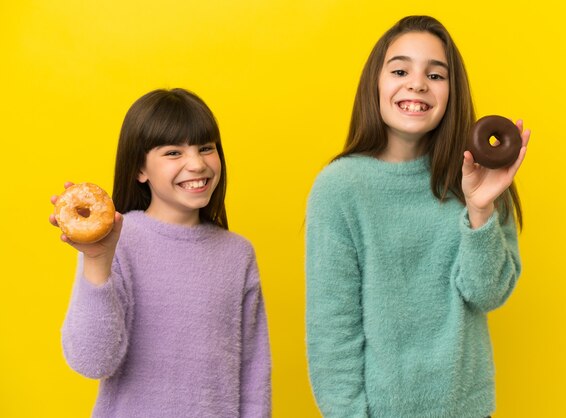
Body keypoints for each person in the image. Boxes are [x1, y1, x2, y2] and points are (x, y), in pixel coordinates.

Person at [305, 16, 530, 418]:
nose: (417, 83)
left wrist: (479, 210)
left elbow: (488, 294)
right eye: (400, 70)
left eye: (436, 74)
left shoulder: (479, 180)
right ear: (376, 83)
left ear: (451, 92)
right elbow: (332, 330)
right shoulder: (339, 188)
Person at [50, 88, 271, 417]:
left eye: (206, 148)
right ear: (140, 169)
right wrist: (97, 261)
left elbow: (254, 375)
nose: (196, 164)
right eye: (173, 153)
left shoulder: (237, 254)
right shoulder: (117, 242)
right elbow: (91, 361)